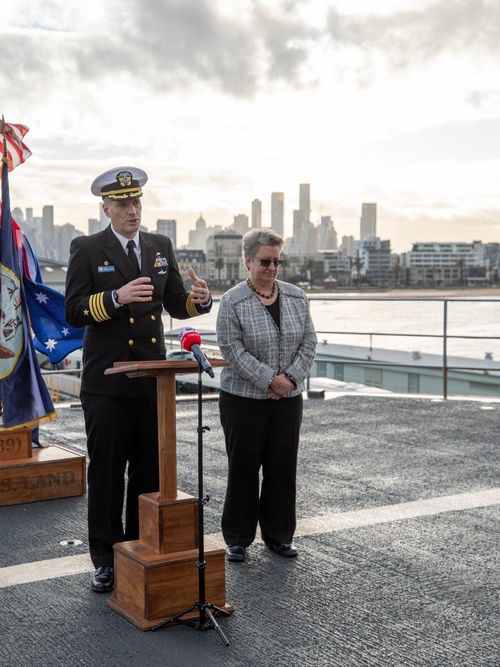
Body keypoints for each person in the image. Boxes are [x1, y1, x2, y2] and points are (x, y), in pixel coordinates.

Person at [64, 166, 213, 592]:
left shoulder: (159, 245)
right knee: (108, 474)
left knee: (148, 471)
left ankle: (139, 545)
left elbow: (174, 303)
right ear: (106, 207)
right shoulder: (88, 247)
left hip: (152, 380)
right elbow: (73, 310)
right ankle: (106, 558)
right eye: (124, 203)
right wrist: (115, 297)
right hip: (108, 381)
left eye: (137, 201)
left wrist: (197, 302)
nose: (133, 209)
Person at [215, 227, 317, 563]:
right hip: (243, 399)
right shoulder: (232, 301)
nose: (271, 268)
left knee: (282, 468)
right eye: (264, 261)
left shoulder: (296, 297)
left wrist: (288, 379)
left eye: (276, 261)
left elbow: (309, 342)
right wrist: (268, 380)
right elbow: (232, 349)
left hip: (288, 399)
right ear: (248, 261)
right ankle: (239, 539)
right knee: (244, 467)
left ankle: (279, 536)